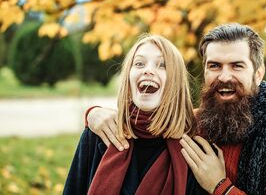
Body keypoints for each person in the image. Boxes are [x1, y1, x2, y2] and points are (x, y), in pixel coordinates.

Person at [86, 23, 266, 195]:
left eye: (237, 66)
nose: (224, 76)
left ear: (258, 73)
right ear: (204, 70)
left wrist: (221, 187)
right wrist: (94, 113)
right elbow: (145, 126)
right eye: (214, 66)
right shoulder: (192, 125)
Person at [63, 34, 206, 195]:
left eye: (162, 65)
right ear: (128, 77)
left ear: (176, 81)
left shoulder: (193, 151)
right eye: (139, 63)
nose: (148, 70)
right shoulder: (98, 135)